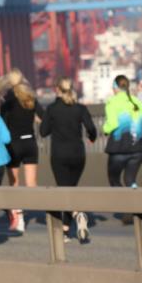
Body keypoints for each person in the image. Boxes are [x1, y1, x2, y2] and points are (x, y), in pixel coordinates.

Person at [40, 78, 97, 242]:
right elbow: (91, 129)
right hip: (78, 155)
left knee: (64, 190)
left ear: (57, 89)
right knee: (70, 189)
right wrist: (91, 137)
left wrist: (52, 123)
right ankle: (65, 231)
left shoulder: (52, 109)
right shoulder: (80, 108)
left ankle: (78, 215)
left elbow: (43, 132)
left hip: (59, 155)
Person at [0, 69, 39, 233]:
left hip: (14, 145)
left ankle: (19, 219)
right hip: (30, 143)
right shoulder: (30, 99)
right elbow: (43, 118)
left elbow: (4, 127)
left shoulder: (7, 102)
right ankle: (53, 215)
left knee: (14, 184)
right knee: (32, 185)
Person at [104, 75, 142, 193]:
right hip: (137, 149)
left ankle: (123, 208)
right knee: (130, 180)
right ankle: (137, 208)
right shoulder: (135, 100)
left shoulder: (112, 102)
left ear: (115, 87)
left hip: (118, 149)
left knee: (114, 180)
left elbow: (112, 124)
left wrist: (105, 129)